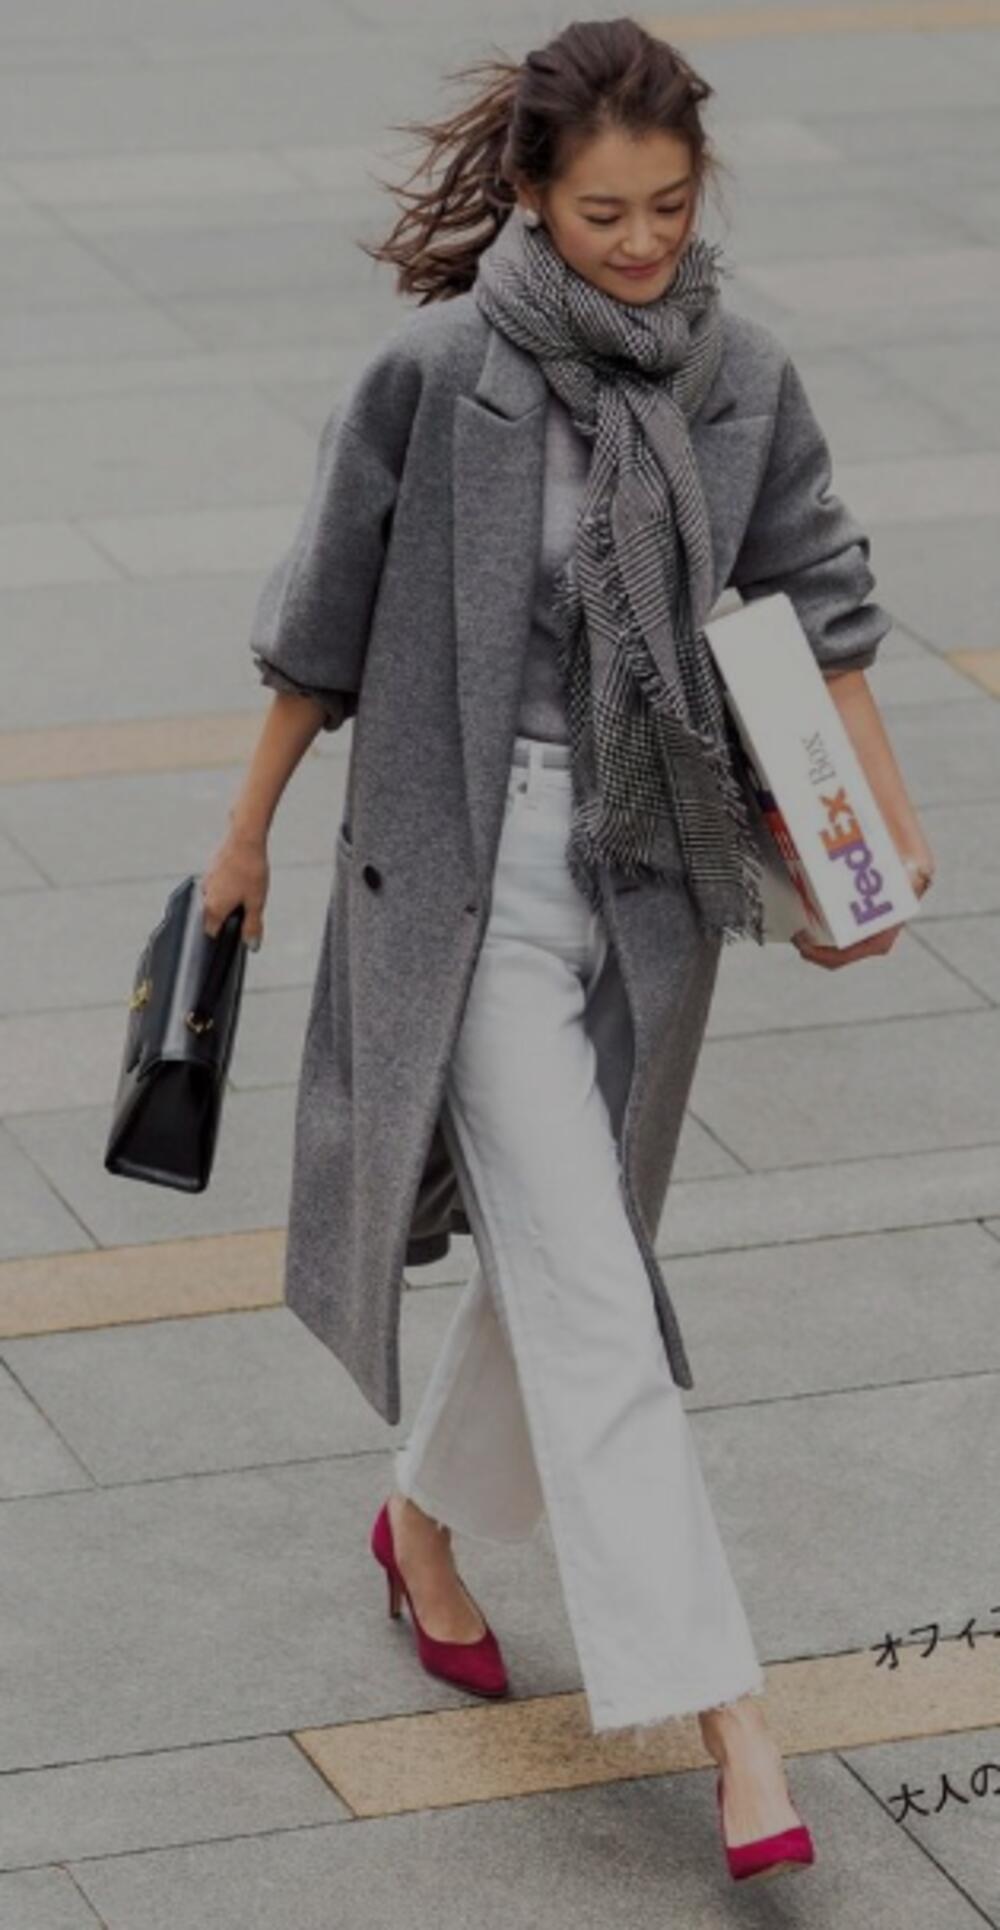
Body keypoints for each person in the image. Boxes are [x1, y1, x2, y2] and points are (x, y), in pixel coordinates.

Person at [201, 17, 935, 1885]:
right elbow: (319, 627)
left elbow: (819, 594)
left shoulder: (739, 373)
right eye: (605, 212)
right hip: (462, 884)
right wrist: (244, 833)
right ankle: (732, 1720)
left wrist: (873, 825)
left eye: (671, 206)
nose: (643, 243)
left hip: (652, 874)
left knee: (568, 1244)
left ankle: (423, 1524)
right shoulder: (437, 374)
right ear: (531, 194)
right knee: (600, 1289)